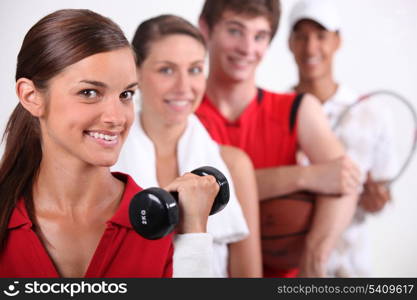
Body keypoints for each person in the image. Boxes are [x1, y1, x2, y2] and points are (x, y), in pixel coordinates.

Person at [0, 9, 219, 278]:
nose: (116, 118)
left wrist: (193, 238)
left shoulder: (163, 225)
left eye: (126, 94)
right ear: (31, 96)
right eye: (89, 93)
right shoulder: (5, 214)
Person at [195, 0, 362, 277]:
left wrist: (315, 255)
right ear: (205, 28)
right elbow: (196, 192)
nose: (248, 49)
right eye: (235, 31)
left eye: (260, 36)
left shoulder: (298, 109)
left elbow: (345, 181)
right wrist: (305, 176)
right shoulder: (184, 115)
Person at [112, 14, 262, 277]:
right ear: (135, 72)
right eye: (166, 70)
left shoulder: (234, 166)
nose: (184, 87)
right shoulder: (102, 164)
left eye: (194, 69)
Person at [288, 0, 397, 277]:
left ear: (338, 41)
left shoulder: (372, 112)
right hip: (293, 268)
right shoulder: (277, 112)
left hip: (353, 267)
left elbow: (383, 194)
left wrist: (379, 200)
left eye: (321, 36)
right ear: (290, 43)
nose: (311, 47)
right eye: (301, 36)